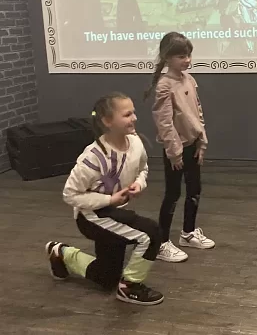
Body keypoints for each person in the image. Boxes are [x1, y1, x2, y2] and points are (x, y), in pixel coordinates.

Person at [45, 92, 164, 306]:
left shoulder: (135, 142)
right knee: (150, 234)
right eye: (127, 114)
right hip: (92, 218)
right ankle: (130, 287)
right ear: (107, 121)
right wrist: (109, 200)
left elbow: (143, 169)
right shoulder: (92, 158)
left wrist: (139, 184)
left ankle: (61, 253)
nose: (135, 118)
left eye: (134, 112)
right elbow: (70, 194)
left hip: (115, 213)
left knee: (106, 277)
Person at [144, 32, 215, 263]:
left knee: (194, 190)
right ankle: (162, 243)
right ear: (167, 58)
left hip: (193, 145)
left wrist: (202, 141)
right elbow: (164, 122)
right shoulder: (165, 85)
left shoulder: (189, 80)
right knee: (173, 194)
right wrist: (174, 152)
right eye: (181, 56)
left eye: (189, 55)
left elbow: (197, 112)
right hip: (176, 150)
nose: (187, 60)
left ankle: (188, 233)